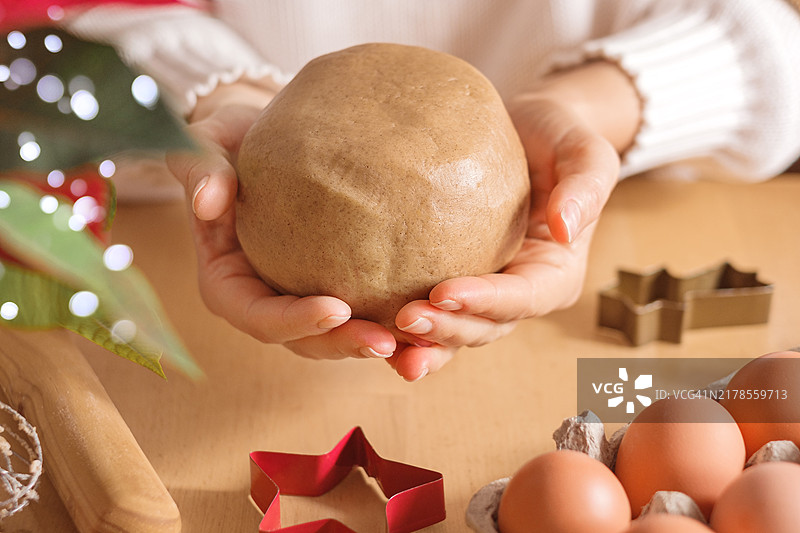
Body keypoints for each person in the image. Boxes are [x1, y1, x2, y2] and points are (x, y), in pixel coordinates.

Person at [65, 0, 800, 381]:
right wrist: (213, 91)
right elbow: (65, 25)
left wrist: (588, 111)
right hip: (167, 261)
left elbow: (777, 42)